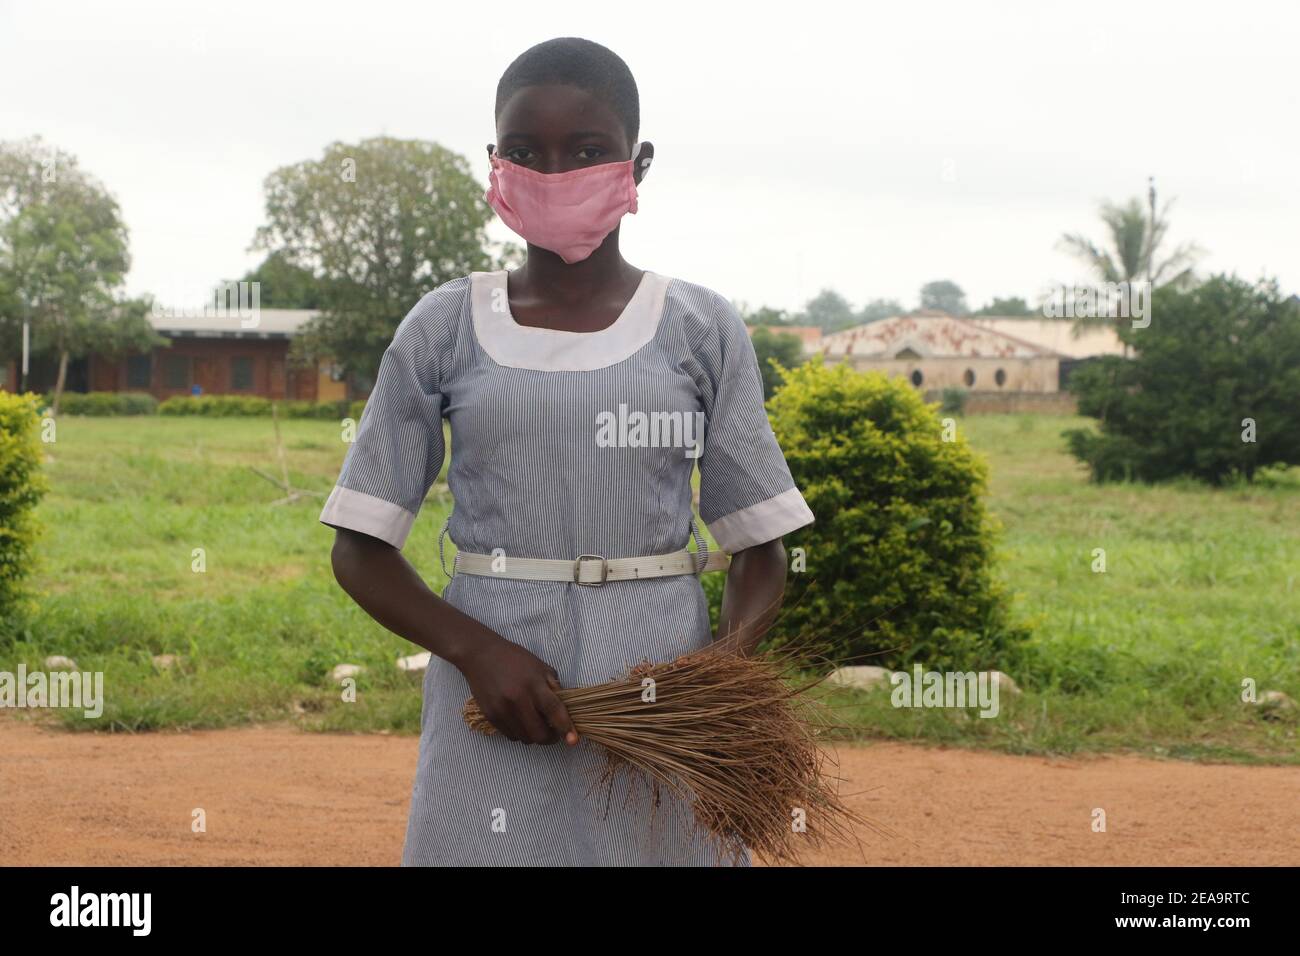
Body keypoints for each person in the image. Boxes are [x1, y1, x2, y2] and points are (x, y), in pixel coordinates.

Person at [321, 36, 814, 866]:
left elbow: (760, 548)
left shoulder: (699, 326)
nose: (554, 173)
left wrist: (712, 692)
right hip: (496, 688)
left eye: (587, 151)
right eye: (525, 152)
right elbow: (360, 548)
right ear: (494, 164)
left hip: (656, 686)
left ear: (637, 164)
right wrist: (477, 651)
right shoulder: (443, 327)